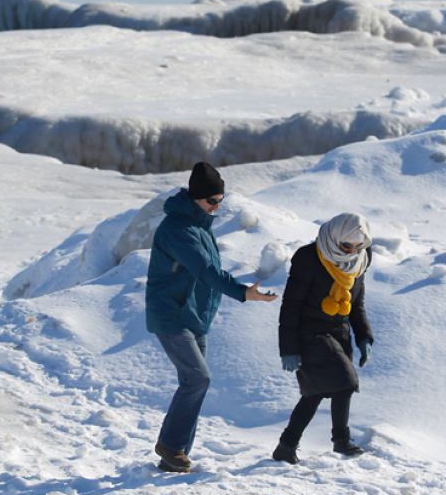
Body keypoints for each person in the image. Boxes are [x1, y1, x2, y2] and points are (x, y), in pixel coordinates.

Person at [146, 161, 278, 473]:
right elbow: (206, 271)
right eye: (212, 201)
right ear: (195, 198)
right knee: (198, 378)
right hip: (171, 315)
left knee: (194, 382)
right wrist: (243, 292)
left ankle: (175, 457)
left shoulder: (199, 225)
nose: (217, 207)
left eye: (221, 201)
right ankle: (171, 446)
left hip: (192, 315)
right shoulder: (178, 230)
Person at [272, 212, 375, 465]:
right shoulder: (309, 258)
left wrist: (363, 336)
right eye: (346, 245)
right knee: (346, 380)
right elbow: (291, 305)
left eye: (356, 246)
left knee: (314, 393)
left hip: (339, 330)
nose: (351, 251)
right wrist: (288, 348)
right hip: (309, 332)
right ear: (333, 237)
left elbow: (357, 302)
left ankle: (286, 447)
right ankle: (341, 440)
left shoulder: (361, 259)